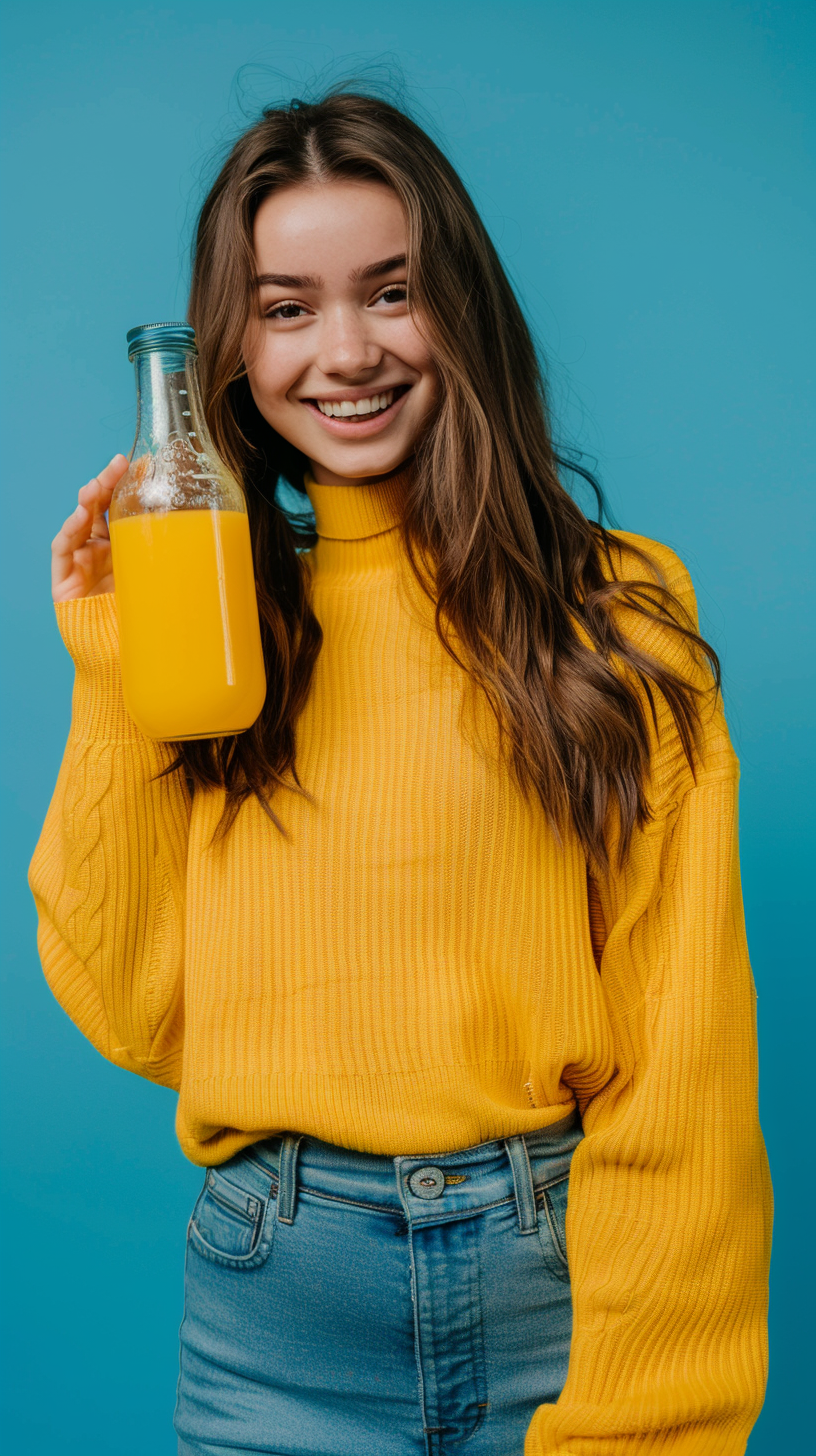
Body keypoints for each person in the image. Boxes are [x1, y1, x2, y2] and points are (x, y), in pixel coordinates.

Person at [30, 90, 772, 1456]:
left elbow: (686, 1060)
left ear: (464, 310)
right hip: (275, 1321)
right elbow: (134, 1001)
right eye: (289, 307)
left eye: (393, 292)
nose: (349, 351)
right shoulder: (219, 633)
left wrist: (649, 1420)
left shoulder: (617, 610)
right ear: (229, 353)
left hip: (556, 1295)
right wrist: (112, 669)